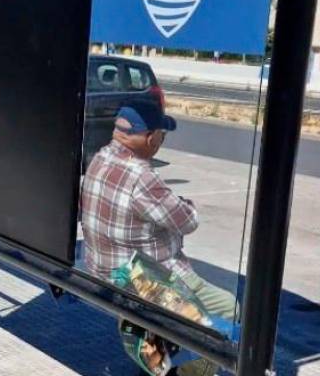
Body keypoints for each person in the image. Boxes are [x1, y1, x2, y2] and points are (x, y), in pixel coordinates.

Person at [81, 100, 236, 376]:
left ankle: (155, 356)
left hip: (105, 273)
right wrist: (183, 201)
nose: (161, 142)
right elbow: (188, 221)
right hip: (146, 281)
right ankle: (188, 373)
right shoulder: (141, 177)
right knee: (229, 310)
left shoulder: (99, 159)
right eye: (162, 136)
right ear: (151, 137)